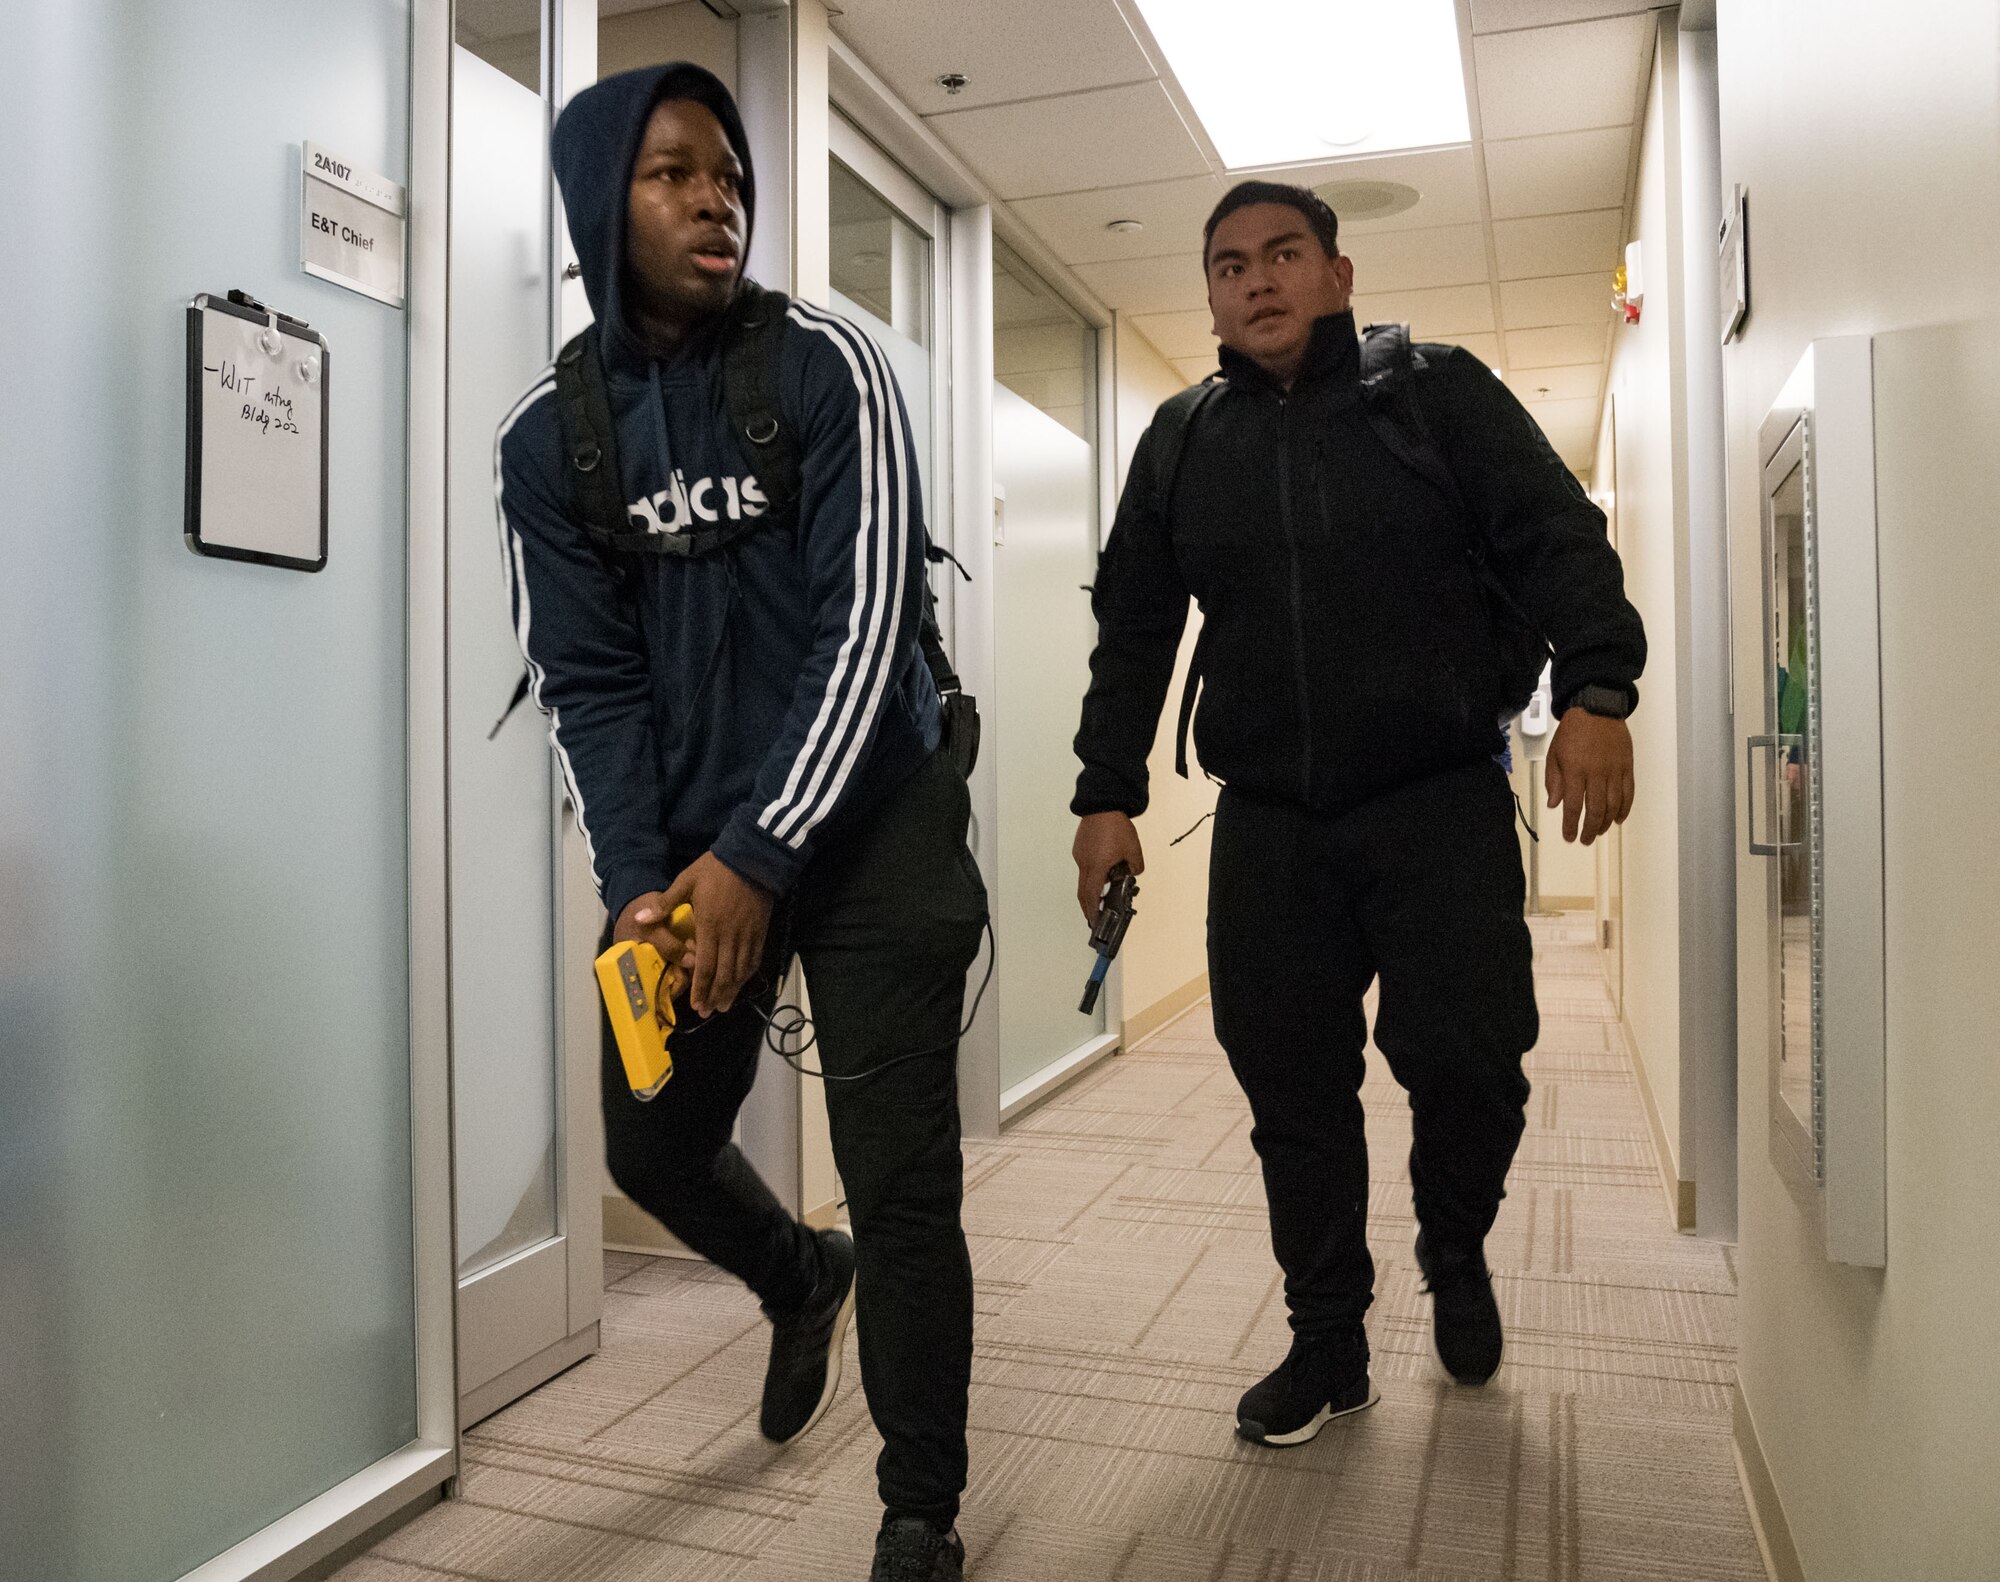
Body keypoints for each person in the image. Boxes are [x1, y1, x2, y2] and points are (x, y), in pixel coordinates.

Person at [497, 64, 985, 1582]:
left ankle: (919, 1505)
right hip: (695, 845)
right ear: (600, 207)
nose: (720, 198)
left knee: (900, 1173)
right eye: (674, 175)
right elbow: (588, 682)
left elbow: (868, 631)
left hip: (874, 815)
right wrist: (644, 883)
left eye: (730, 174)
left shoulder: (831, 365)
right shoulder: (550, 437)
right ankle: (795, 1273)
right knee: (651, 1136)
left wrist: (761, 857)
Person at [1070, 181, 1646, 1446]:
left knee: (1471, 1061)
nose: (1257, 281)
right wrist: (1104, 793)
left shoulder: (1434, 397)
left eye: (1283, 254)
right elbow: (1132, 629)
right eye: (1230, 265)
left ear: (1337, 273)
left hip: (1435, 798)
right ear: (1210, 293)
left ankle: (1453, 1239)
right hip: (1269, 820)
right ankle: (1327, 1338)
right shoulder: (1181, 438)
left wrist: (1599, 686)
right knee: (1291, 1089)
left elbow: (1557, 537)